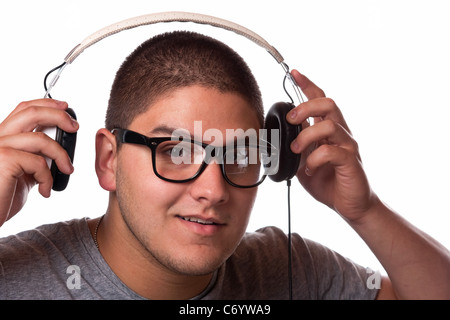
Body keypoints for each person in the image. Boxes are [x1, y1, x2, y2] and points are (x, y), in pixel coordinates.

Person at [0, 31, 448, 300]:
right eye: (176, 152)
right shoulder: (13, 275)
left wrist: (365, 211)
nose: (213, 190)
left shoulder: (290, 269)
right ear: (109, 161)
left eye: (238, 154)